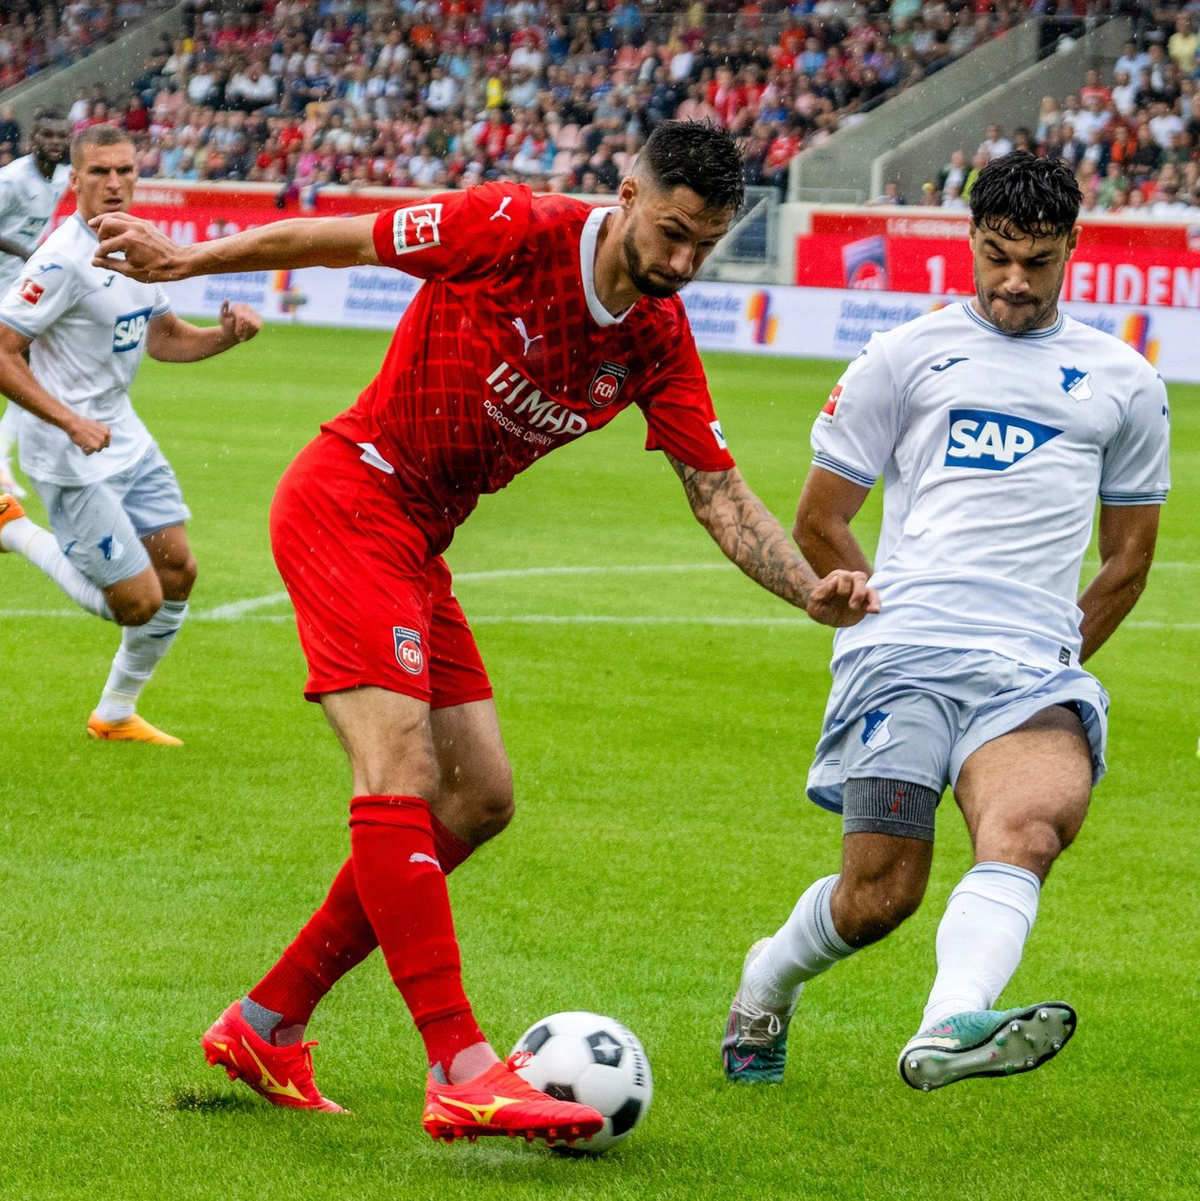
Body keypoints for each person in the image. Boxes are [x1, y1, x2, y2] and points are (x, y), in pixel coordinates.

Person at [89, 121, 878, 1141]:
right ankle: (460, 1064)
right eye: (673, 232)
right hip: (350, 498)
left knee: (479, 797)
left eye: (707, 243)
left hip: (419, 542)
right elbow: (348, 238)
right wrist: (190, 259)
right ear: (627, 192)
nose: (684, 262)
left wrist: (810, 590)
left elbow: (718, 493)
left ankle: (265, 1022)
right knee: (402, 769)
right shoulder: (511, 227)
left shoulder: (655, 337)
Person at [720, 151, 1169, 1092]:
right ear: (971, 241)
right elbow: (820, 517)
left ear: (1072, 247)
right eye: (998, 256)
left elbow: (1127, 559)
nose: (1014, 281)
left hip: (1030, 672)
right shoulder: (903, 355)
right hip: (905, 656)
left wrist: (1054, 653)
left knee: (1031, 829)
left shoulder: (1125, 381)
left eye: (1037, 261)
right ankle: (768, 977)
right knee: (881, 894)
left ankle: (950, 1019)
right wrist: (873, 612)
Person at [0, 125, 261, 744]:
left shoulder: (138, 246)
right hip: (69, 453)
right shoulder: (60, 261)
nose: (114, 183)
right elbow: (3, 351)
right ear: (75, 180)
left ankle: (116, 713)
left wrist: (227, 336)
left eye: (125, 170)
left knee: (179, 572)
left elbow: (164, 339)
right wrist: (68, 420)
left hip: (127, 438)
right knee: (138, 604)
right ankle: (13, 528)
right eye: (99, 172)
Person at [0, 108, 72, 498]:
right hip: (5, 282)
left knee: (28, 374)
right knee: (21, 373)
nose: (55, 142)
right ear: (33, 139)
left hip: (20, 285)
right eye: (47, 135)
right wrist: (27, 252)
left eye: (61, 136)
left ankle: (2, 458)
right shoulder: (12, 180)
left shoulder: (62, 176)